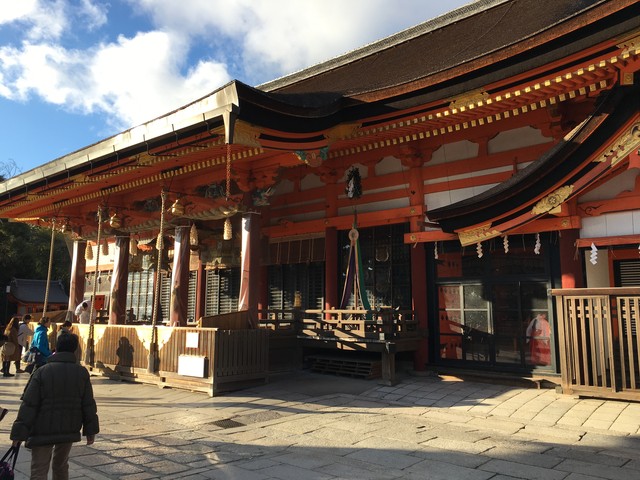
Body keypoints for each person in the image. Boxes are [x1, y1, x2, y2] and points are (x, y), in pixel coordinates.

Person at [10, 333, 99, 480]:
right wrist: (91, 430)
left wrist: (19, 434)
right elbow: (88, 403)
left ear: (56, 348)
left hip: (42, 429)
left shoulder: (42, 371)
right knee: (61, 465)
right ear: (75, 350)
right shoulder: (81, 372)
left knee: (39, 470)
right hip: (69, 426)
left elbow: (29, 405)